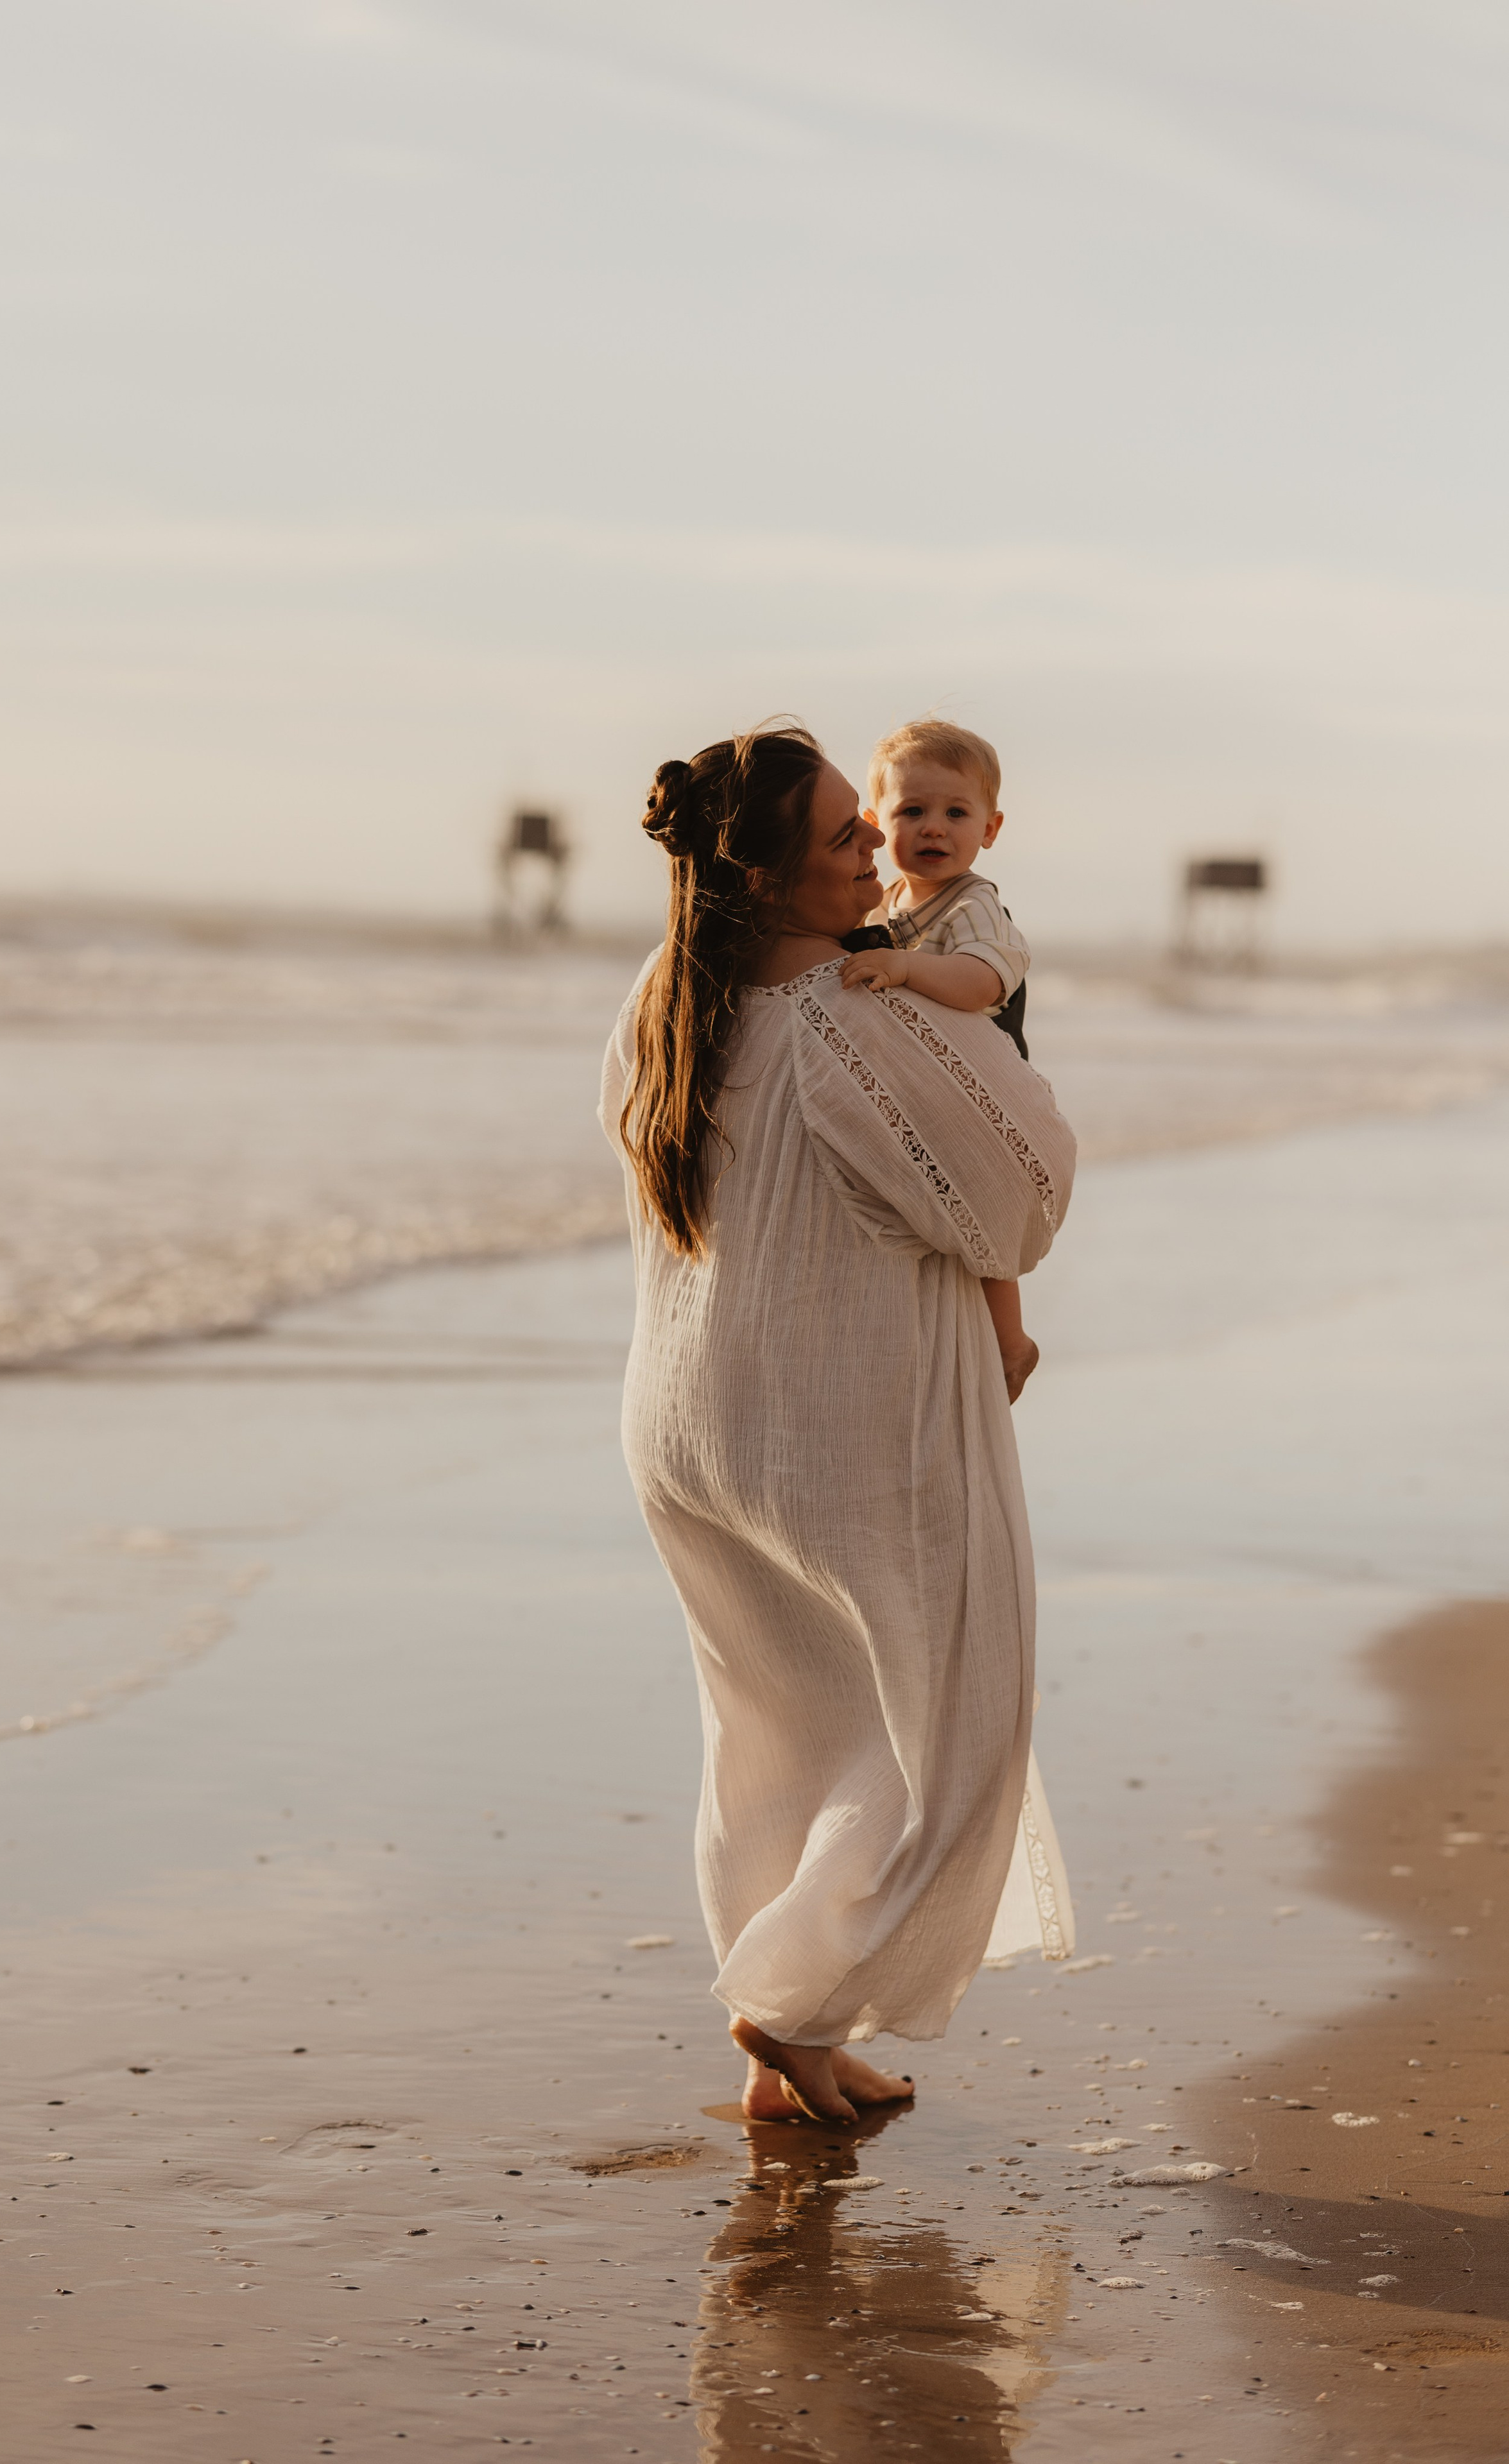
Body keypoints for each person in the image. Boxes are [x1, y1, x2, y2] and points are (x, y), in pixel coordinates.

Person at [599, 722, 1078, 2126]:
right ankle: (791, 2001)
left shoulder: (660, 1000)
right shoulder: (857, 1020)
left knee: (775, 1730)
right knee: (956, 1727)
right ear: (763, 879)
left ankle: (789, 2047)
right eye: (844, 834)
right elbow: (1022, 1198)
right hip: (840, 1422)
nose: (878, 844)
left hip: (687, 1420)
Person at [841, 719, 1038, 1407]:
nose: (933, 828)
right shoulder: (886, 903)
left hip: (981, 1090)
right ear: (876, 824)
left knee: (985, 1215)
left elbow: (982, 982)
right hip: (922, 1084)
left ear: (991, 829)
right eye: (912, 811)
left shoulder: (973, 907)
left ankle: (1010, 1341)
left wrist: (902, 968)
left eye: (957, 813)